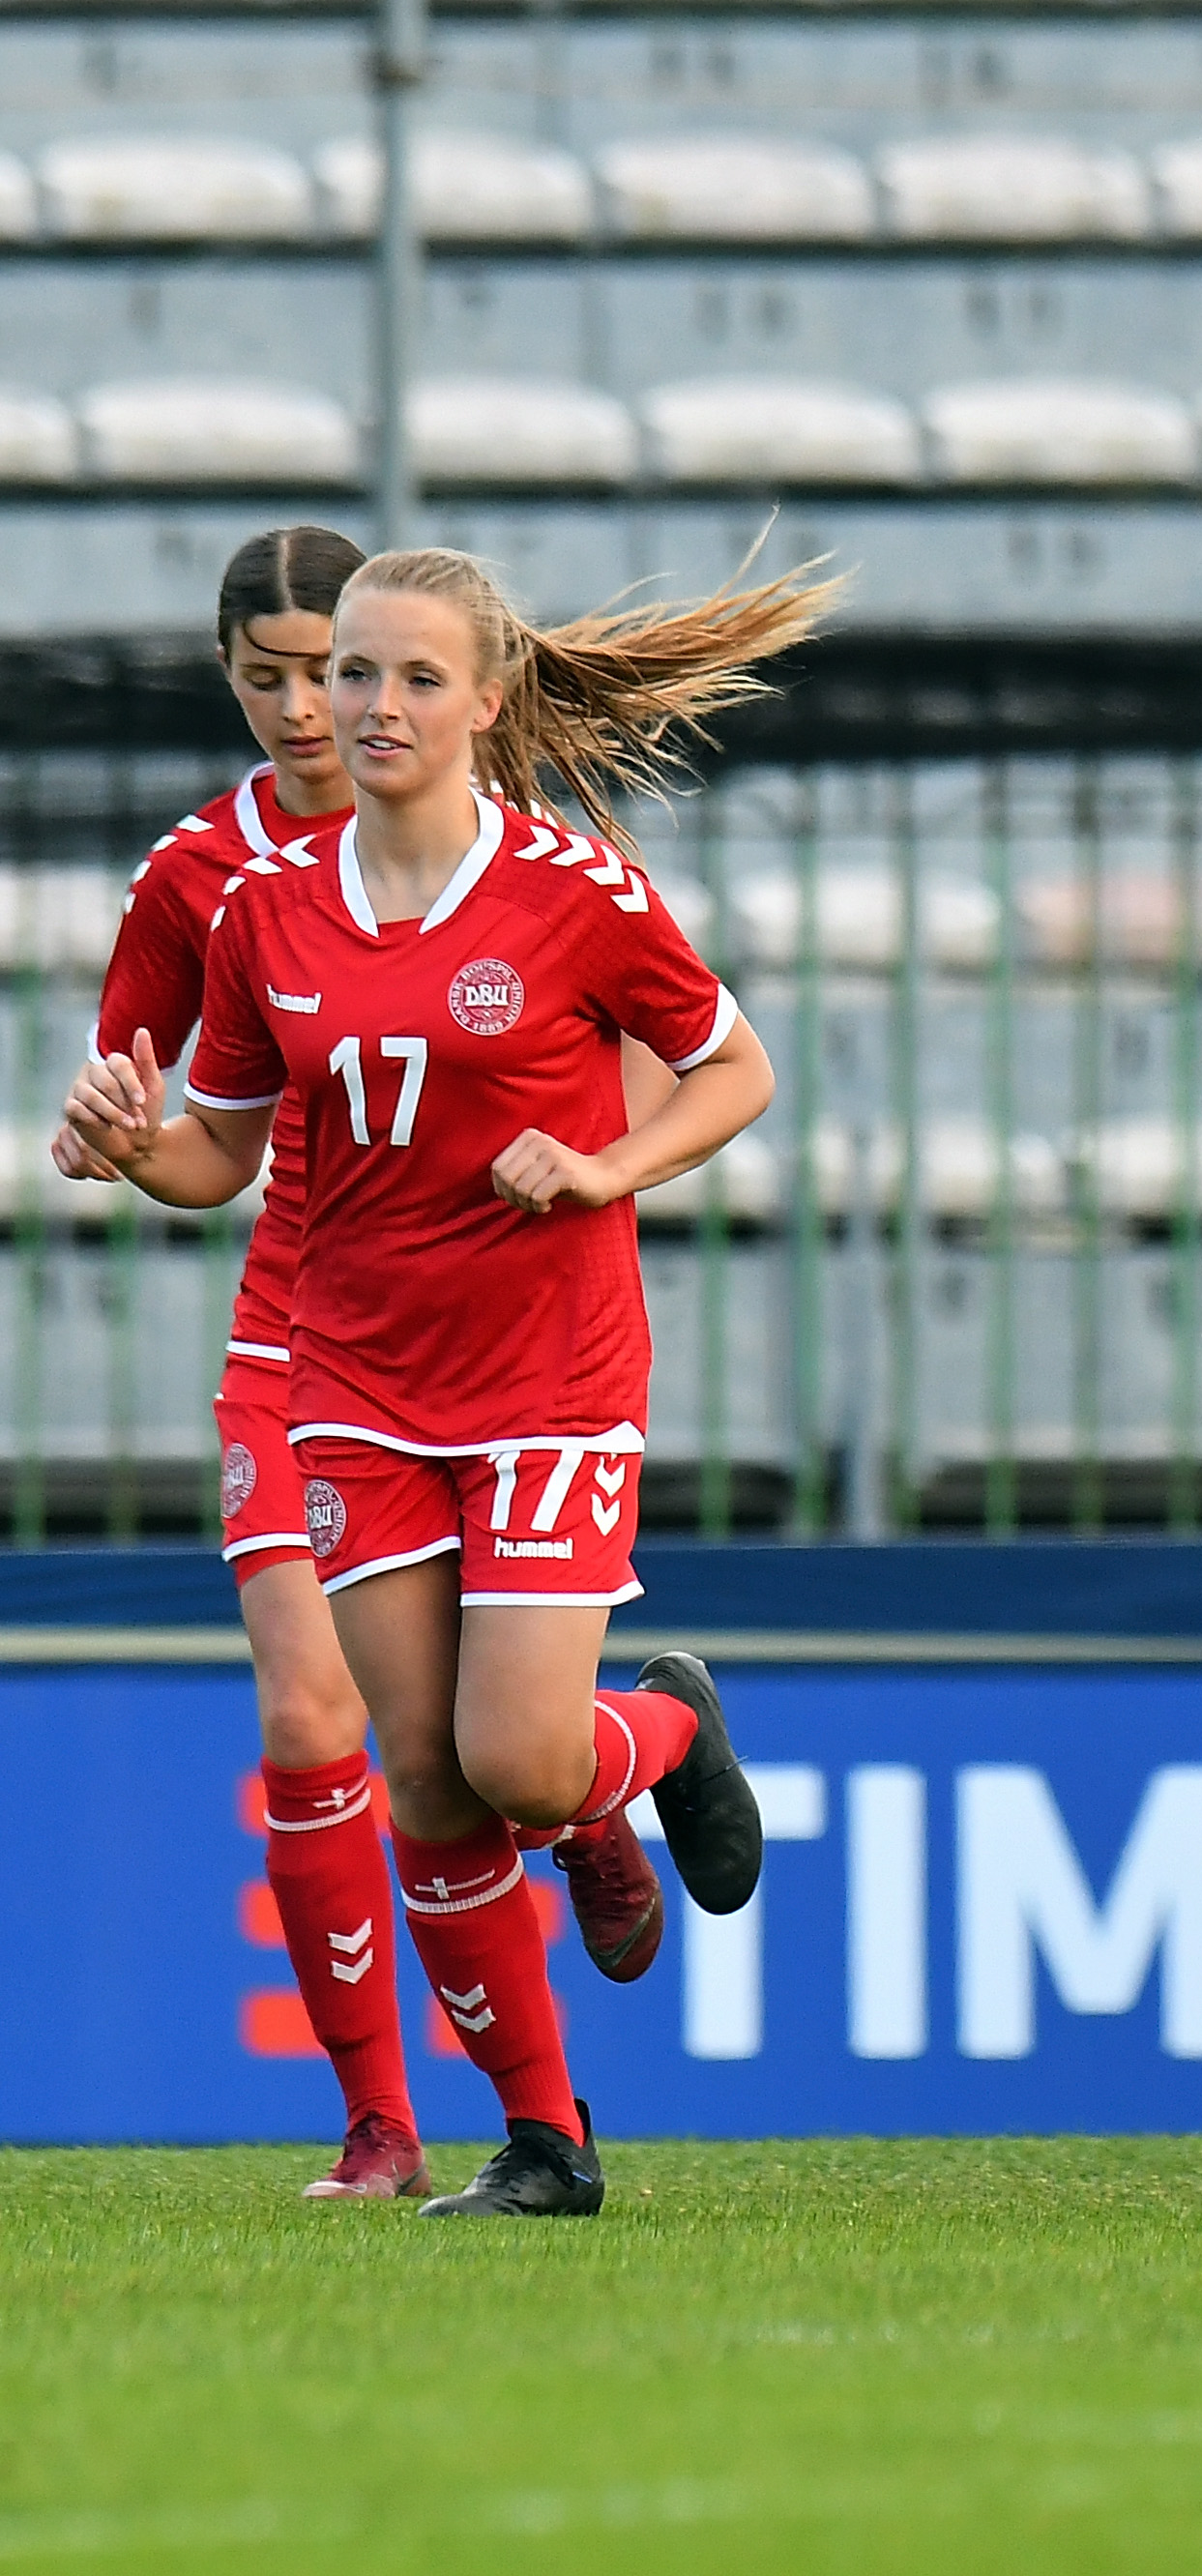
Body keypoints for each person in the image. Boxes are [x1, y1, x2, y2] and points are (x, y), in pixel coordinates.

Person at [68, 545, 810, 2217]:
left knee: (523, 1761)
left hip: (547, 1371)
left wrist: (608, 1165)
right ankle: (543, 2139)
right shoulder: (260, 905)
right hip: (351, 1377)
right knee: (422, 1771)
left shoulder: (573, 890)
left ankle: (666, 1728)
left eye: (411, 677)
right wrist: (129, 1147)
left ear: (485, 699)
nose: (363, 705)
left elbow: (735, 1067)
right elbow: (218, 1153)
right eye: (349, 674)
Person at [44, 528, 430, 2196]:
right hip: (298, 1326)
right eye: (265, 677)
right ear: (229, 677)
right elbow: (182, 1135)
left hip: (483, 1337)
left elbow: (638, 1054)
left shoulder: (486, 839)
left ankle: (623, 1769)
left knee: (478, 1742)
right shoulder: (198, 878)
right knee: (306, 1707)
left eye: (324, 671)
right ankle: (377, 2124)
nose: (301, 708)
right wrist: (112, 1133)